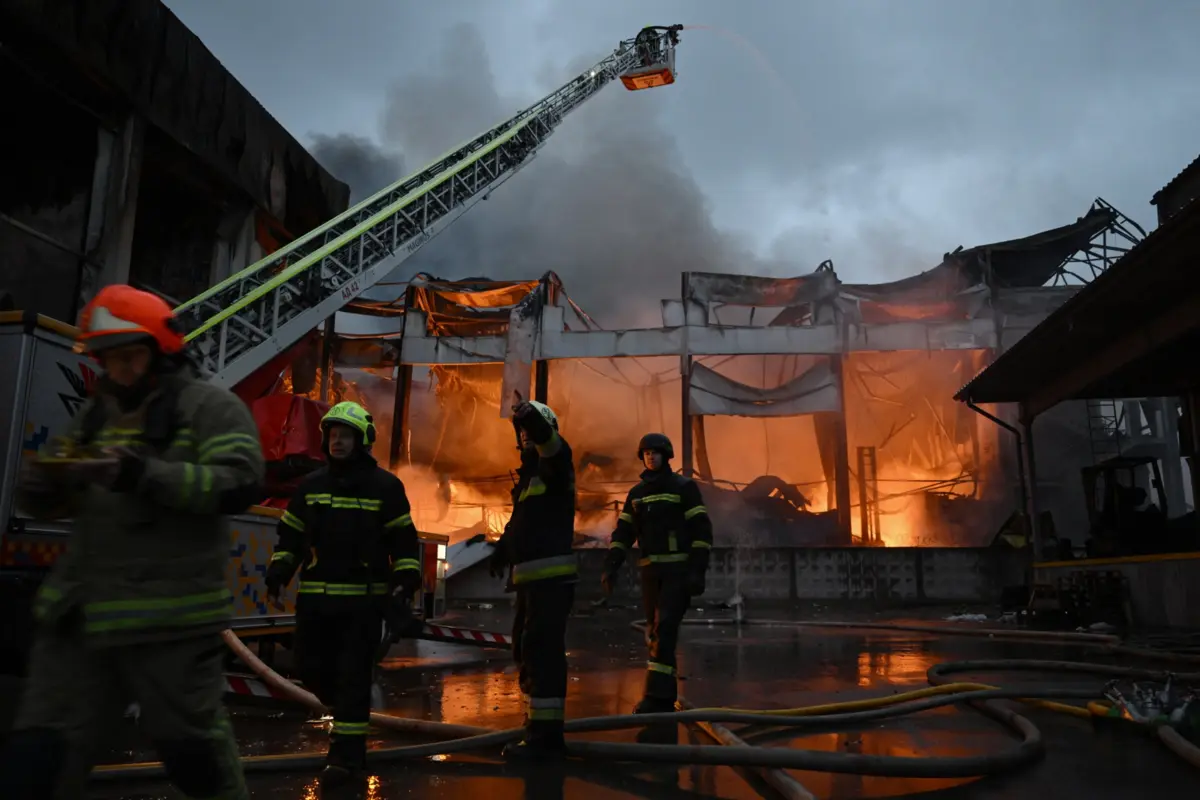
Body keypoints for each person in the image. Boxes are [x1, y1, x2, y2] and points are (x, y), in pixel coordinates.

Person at [0, 284, 265, 800]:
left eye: (128, 358)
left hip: (170, 622)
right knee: (39, 758)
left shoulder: (211, 409)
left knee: (194, 757)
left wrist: (143, 475)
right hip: (82, 619)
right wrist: (47, 484)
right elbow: (55, 498)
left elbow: (240, 481)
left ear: (162, 352)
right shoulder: (97, 415)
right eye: (108, 360)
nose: (116, 372)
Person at [264, 400, 422, 785]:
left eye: (345, 436)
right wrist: (280, 570)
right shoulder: (312, 486)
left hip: (363, 602)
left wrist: (406, 578)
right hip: (317, 601)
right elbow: (292, 535)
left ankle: (347, 759)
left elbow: (403, 539)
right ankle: (346, 713)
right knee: (309, 669)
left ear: (362, 440)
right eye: (332, 435)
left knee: (353, 678)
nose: (337, 442)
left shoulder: (385, 487)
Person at [488, 398, 577, 759]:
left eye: (531, 430)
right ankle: (536, 725)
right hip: (530, 581)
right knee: (525, 649)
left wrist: (528, 414)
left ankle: (546, 738)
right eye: (521, 430)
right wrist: (502, 548)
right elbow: (520, 522)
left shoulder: (556, 463)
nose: (525, 435)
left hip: (551, 579)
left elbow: (551, 444)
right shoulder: (528, 478)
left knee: (543, 652)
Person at [602, 433, 712, 714]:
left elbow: (702, 531)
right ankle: (662, 694)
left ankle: (657, 697)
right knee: (655, 632)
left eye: (656, 452)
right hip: (651, 573)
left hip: (677, 572)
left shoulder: (684, 488)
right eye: (646, 453)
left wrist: (697, 571)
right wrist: (612, 564)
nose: (651, 457)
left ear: (667, 456)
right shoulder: (637, 494)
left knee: (663, 630)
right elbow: (624, 532)